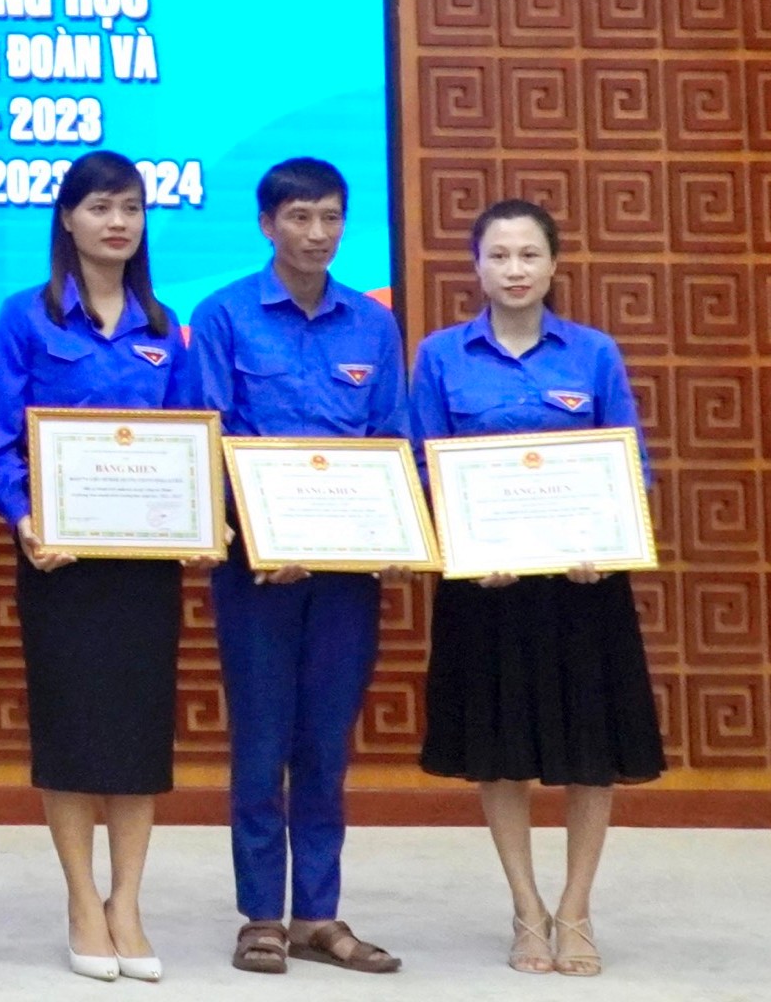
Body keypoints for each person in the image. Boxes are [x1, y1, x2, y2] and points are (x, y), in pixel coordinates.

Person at [411, 198, 663, 978]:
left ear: (553, 265)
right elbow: (423, 465)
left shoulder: (592, 354)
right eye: (498, 255)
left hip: (581, 587)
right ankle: (525, 908)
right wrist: (464, 546)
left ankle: (576, 908)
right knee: (499, 752)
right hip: (485, 587)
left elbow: (629, 464)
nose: (513, 270)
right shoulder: (439, 357)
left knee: (590, 753)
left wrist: (605, 545)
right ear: (475, 267)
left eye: (528, 255)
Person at [0, 149, 208, 983]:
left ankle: (127, 903)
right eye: (100, 207)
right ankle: (82, 899)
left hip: (143, 567)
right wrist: (24, 519)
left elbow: (189, 437)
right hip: (60, 562)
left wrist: (196, 516)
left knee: (139, 735)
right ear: (67, 220)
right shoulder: (24, 318)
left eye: (131, 208)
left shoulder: (162, 327)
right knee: (72, 731)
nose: (117, 222)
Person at [191, 158, 406, 976]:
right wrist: (260, 537)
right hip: (257, 570)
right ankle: (259, 915)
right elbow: (209, 436)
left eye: (330, 218)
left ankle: (317, 913)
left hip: (346, 574)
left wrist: (395, 536)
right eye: (299, 217)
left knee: (324, 742)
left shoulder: (372, 325)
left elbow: (390, 439)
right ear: (266, 224)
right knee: (260, 739)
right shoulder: (222, 316)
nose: (316, 234)